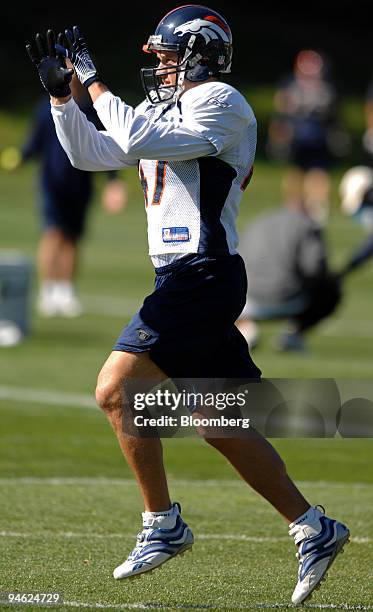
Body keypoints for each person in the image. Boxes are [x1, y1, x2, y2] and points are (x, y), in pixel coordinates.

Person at [26, 6, 349, 605]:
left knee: (114, 390)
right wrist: (62, 102)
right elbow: (93, 154)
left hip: (202, 276)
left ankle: (162, 523)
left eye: (171, 55)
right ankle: (313, 526)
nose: (163, 66)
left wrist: (92, 79)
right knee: (219, 422)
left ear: (203, 53)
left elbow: (134, 137)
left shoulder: (224, 102)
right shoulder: (165, 107)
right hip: (187, 277)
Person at [20, 76, 128, 317]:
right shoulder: (45, 108)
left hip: (81, 184)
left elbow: (105, 146)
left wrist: (113, 183)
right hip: (52, 184)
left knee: (72, 237)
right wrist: (20, 158)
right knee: (53, 233)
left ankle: (64, 290)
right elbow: (33, 145)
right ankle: (48, 290)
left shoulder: (91, 110)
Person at [236, 198, 342, 351]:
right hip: (289, 299)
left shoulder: (259, 220)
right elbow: (315, 269)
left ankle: (246, 327)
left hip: (246, 300)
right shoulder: (307, 225)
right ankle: (294, 334)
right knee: (331, 287)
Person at [267, 49, 338, 226]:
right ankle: (312, 209)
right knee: (306, 172)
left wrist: (278, 132)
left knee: (308, 172)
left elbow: (281, 108)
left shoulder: (294, 84)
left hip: (304, 134)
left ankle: (301, 208)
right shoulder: (324, 87)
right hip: (307, 134)